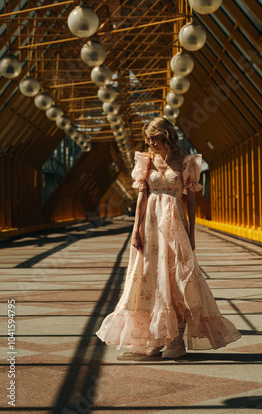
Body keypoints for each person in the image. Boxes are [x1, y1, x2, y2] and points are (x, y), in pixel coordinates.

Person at [96, 116, 241, 358]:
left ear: (166, 135)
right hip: (151, 224)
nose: (150, 143)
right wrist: (136, 231)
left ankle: (176, 340)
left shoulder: (186, 163)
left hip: (175, 224)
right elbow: (142, 199)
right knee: (147, 277)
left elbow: (191, 202)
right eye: (148, 139)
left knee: (176, 278)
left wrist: (192, 235)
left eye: (154, 138)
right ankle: (152, 338)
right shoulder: (146, 162)